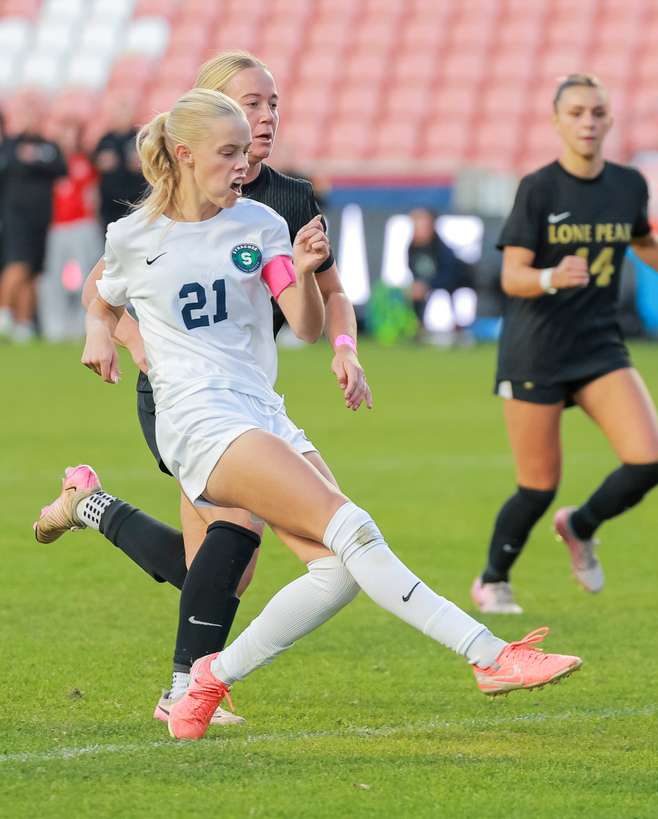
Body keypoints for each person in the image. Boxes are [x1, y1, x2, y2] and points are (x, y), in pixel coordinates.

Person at [79, 88, 582, 741]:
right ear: (184, 155)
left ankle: (208, 677)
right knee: (354, 528)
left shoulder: (259, 224)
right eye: (228, 152)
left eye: (244, 152)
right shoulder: (132, 235)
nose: (242, 164)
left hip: (262, 408)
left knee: (339, 570)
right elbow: (102, 294)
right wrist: (99, 329)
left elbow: (308, 326)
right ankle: (491, 654)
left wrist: (309, 270)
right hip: (199, 422)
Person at [34, 51, 372, 726]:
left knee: (216, 568)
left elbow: (330, 292)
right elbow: (110, 279)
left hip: (245, 392)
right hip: (181, 394)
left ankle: (89, 505)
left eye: (273, 103)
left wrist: (345, 348)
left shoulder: (290, 198)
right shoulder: (184, 190)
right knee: (236, 531)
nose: (266, 117)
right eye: (250, 103)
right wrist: (114, 336)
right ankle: (185, 691)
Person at [471, 74, 658, 614]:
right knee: (538, 486)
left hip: (598, 346)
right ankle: (492, 580)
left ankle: (581, 525)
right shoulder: (539, 188)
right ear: (557, 123)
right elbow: (512, 276)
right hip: (536, 349)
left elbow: (644, 241)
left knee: (649, 462)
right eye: (576, 113)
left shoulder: (627, 184)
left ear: (610, 120)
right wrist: (550, 278)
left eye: (596, 112)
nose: (588, 122)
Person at [0, 92, 65, 342]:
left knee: (32, 272)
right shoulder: (10, 146)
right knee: (17, 264)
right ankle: (4, 312)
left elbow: (60, 168)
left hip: (42, 218)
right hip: (16, 216)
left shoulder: (49, 146)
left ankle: (24, 323)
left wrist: (35, 159)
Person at [38, 117, 101, 341]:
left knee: (86, 277)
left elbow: (92, 195)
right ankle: (54, 327)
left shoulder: (84, 161)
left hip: (82, 224)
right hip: (57, 226)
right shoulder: (49, 164)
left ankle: (82, 326)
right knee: (54, 278)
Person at [405, 206, 473, 322]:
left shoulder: (442, 249)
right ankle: (415, 324)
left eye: (424, 224)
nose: (421, 228)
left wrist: (427, 286)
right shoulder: (412, 248)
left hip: (450, 287)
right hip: (428, 288)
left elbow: (449, 276)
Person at [91, 96, 145, 231]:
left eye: (123, 113)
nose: (119, 117)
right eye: (116, 113)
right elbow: (96, 166)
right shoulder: (105, 139)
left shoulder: (139, 137)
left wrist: (141, 163)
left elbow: (151, 164)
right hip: (110, 203)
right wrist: (101, 163)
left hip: (135, 201)